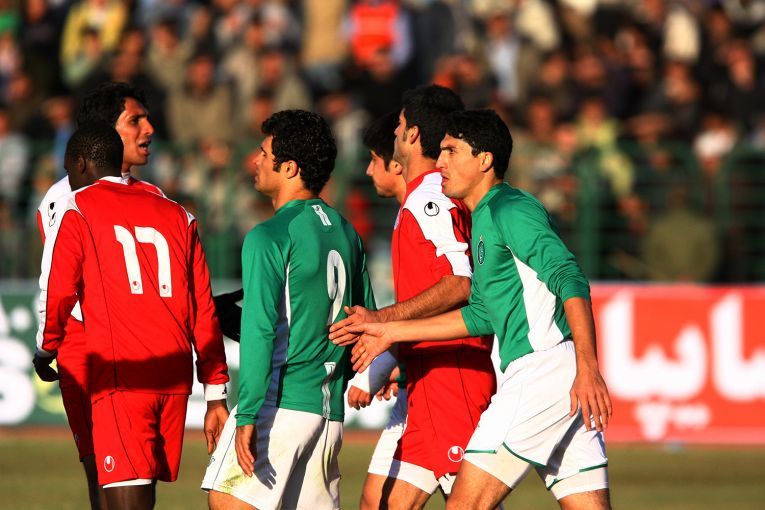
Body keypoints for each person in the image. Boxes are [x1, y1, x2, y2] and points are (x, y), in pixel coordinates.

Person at [338, 109, 612, 509]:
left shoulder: (510, 208)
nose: (440, 161)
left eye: (452, 151)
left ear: (484, 160)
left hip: (542, 371)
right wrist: (392, 331)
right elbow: (479, 315)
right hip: (553, 376)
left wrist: (588, 368)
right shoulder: (483, 217)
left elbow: (568, 276)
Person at [37, 124, 230, 510]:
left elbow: (59, 292)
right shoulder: (179, 213)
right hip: (174, 379)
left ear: (80, 164)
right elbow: (203, 308)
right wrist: (215, 392)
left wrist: (46, 349)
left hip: (124, 374)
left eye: (69, 170)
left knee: (125, 496)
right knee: (140, 489)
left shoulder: (78, 206)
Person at [202, 110, 377, 510]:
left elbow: (261, 330)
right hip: (328, 413)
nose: (255, 160)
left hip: (280, 403)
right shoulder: (346, 231)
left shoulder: (269, 235)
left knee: (226, 502)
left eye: (264, 153)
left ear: (290, 168)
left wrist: (248, 414)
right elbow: (365, 321)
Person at [331, 85, 496, 508]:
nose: (395, 132)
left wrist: (382, 322)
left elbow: (461, 282)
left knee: (470, 504)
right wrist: (396, 356)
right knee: (379, 502)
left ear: (412, 135)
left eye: (400, 125)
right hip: (428, 375)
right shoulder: (427, 196)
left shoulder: (429, 197)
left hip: (452, 374)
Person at [32, 81, 163, 510]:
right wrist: (48, 344)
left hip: (140, 348)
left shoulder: (153, 196)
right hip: (91, 348)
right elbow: (57, 283)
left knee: (139, 477)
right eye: (135, 120)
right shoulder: (65, 198)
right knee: (107, 481)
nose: (149, 129)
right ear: (105, 131)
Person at [346, 110, 408, 510]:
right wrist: (396, 362)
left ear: (396, 162)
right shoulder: (407, 214)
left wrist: (382, 364)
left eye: (373, 159)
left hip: (448, 392)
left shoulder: (425, 213)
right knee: (376, 501)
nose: (369, 170)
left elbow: (454, 295)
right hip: (417, 386)